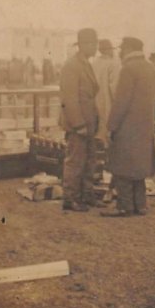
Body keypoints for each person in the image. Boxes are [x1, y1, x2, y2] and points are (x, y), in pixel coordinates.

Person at [102, 37, 155, 217]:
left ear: (128, 48)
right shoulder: (150, 68)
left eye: (122, 48)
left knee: (123, 167)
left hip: (127, 126)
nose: (119, 52)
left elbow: (121, 102)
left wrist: (111, 126)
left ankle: (124, 206)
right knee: (139, 167)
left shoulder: (128, 69)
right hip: (145, 126)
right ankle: (140, 205)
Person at [59, 28, 101, 212]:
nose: (96, 46)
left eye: (96, 42)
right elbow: (70, 98)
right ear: (83, 45)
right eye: (93, 43)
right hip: (80, 124)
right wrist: (78, 124)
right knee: (76, 161)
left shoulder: (85, 64)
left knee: (89, 160)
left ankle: (86, 194)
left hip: (89, 121)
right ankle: (71, 198)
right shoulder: (72, 65)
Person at [91, 39, 121, 145]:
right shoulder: (113, 64)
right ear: (109, 50)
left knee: (98, 133)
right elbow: (115, 88)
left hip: (95, 104)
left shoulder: (94, 63)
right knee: (108, 135)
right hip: (108, 104)